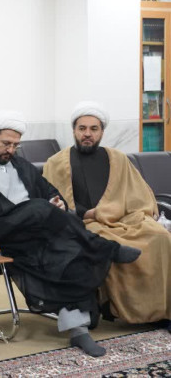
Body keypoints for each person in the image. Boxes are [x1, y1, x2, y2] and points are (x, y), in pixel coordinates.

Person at [0, 110, 142, 357]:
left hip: (34, 233)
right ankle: (106, 247)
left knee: (71, 252)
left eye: (15, 145)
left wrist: (57, 202)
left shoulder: (19, 164)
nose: (10, 150)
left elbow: (48, 190)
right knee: (39, 208)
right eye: (5, 143)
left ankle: (79, 331)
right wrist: (27, 211)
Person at [44, 101, 171, 325]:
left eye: (94, 129)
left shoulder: (118, 159)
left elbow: (138, 195)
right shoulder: (56, 163)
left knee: (160, 237)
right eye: (82, 128)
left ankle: (160, 310)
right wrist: (90, 214)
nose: (87, 134)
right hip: (84, 222)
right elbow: (55, 201)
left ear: (102, 132)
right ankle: (116, 308)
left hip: (124, 218)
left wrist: (109, 211)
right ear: (74, 131)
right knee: (106, 241)